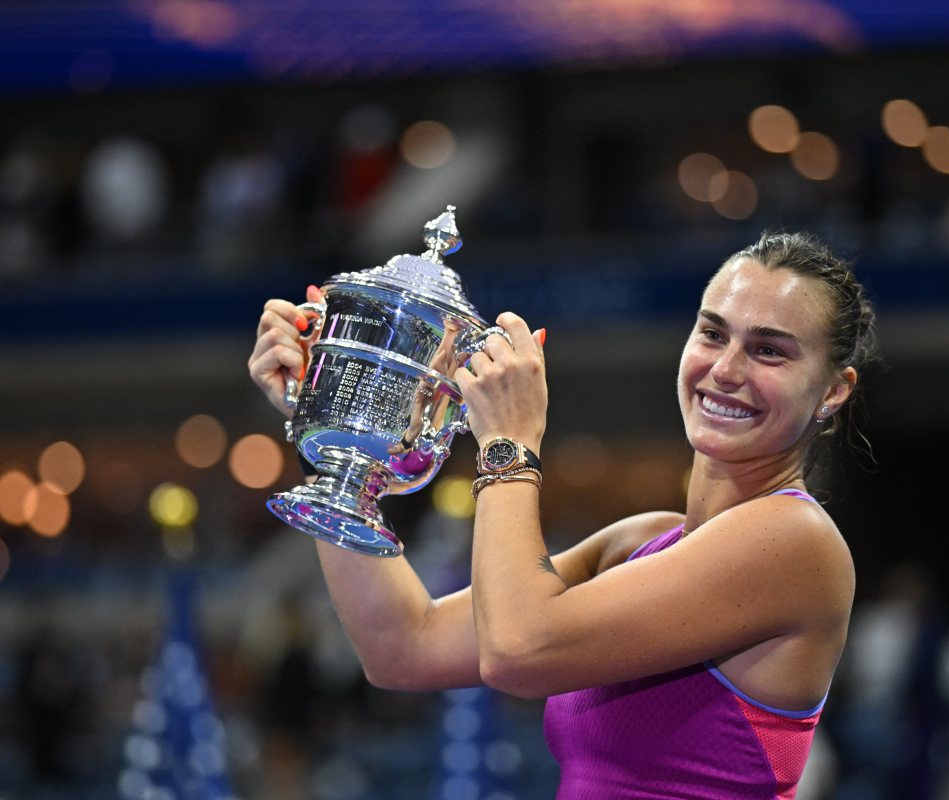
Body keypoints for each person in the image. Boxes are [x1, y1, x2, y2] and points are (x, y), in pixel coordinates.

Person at [248, 231, 876, 798]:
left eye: (769, 351)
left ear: (833, 389)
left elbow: (517, 652)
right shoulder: (641, 541)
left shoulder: (796, 541)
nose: (725, 369)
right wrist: (333, 433)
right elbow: (402, 647)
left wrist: (509, 445)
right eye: (713, 333)